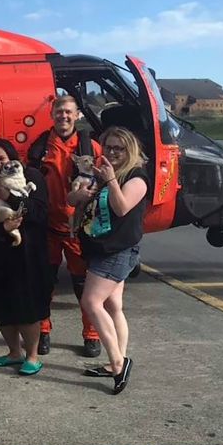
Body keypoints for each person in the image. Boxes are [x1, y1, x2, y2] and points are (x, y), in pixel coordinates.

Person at [70, 126, 148, 394]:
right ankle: (116, 359)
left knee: (91, 302)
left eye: (119, 148)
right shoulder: (100, 173)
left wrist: (112, 180)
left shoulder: (136, 177)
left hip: (118, 251)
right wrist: (81, 194)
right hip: (100, 248)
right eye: (109, 147)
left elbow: (122, 207)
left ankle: (118, 363)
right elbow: (76, 198)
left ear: (130, 150)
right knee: (114, 305)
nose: (113, 152)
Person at [27, 95, 102, 357]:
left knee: (85, 284)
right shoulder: (39, 149)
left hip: (79, 228)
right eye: (59, 113)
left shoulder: (91, 148)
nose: (64, 117)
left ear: (77, 115)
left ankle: (92, 334)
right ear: (52, 115)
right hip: (47, 227)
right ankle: (43, 331)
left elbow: (105, 181)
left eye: (69, 112)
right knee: (43, 283)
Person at [0, 139, 51, 375]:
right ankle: (13, 352)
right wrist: (2, 230)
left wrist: (11, 197)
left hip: (28, 254)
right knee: (0, 306)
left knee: (27, 306)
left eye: (2, 158)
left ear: (12, 159)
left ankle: (33, 356)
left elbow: (39, 213)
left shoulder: (32, 177)